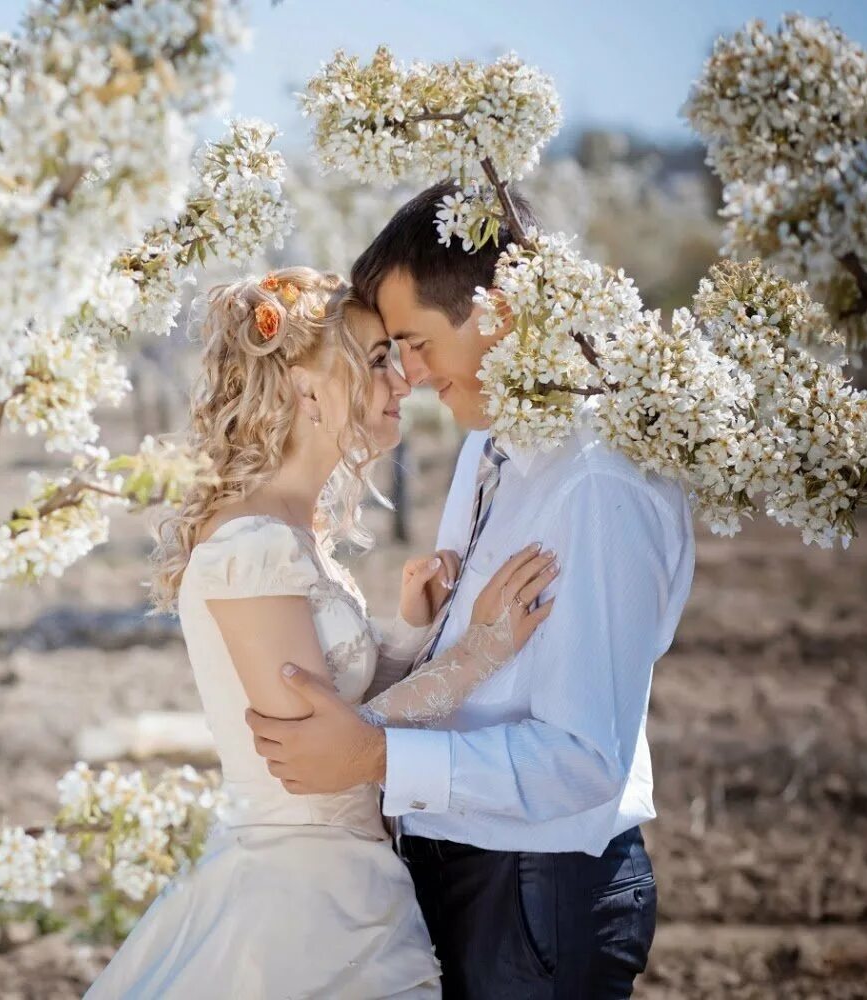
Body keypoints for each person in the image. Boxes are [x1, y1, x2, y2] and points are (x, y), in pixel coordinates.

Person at [246, 182, 696, 999]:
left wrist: (378, 755)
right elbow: (481, 667)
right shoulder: (489, 442)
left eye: (413, 342)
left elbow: (584, 759)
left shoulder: (596, 487)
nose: (408, 375)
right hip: (454, 872)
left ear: (499, 310)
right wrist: (432, 636)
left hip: (536, 894)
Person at [86, 266, 559, 999]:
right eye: (375, 361)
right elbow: (317, 754)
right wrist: (475, 655)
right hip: (303, 909)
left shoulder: (291, 533)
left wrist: (410, 635)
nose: (402, 380)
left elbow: (348, 716)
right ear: (308, 390)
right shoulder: (253, 545)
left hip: (343, 884)